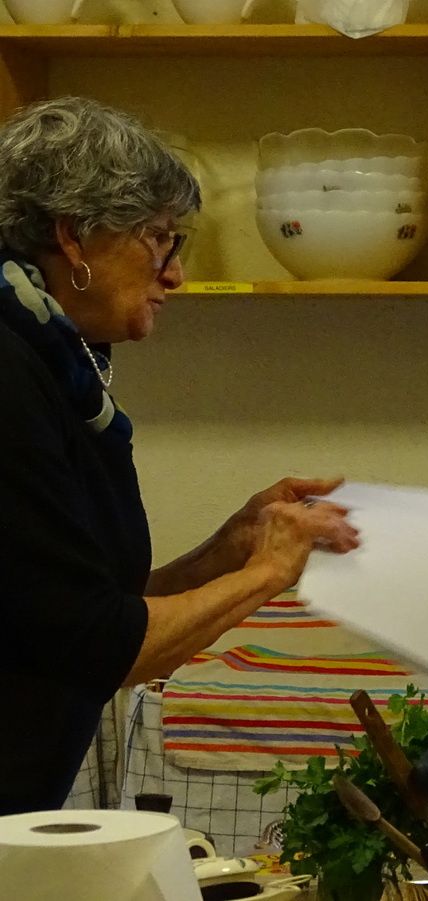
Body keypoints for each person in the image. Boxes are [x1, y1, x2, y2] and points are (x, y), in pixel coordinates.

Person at [0, 97, 360, 814]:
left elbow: (84, 610)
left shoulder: (54, 364)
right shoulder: (10, 375)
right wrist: (268, 572)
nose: (176, 274)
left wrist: (229, 549)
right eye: (158, 239)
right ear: (73, 236)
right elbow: (107, 647)